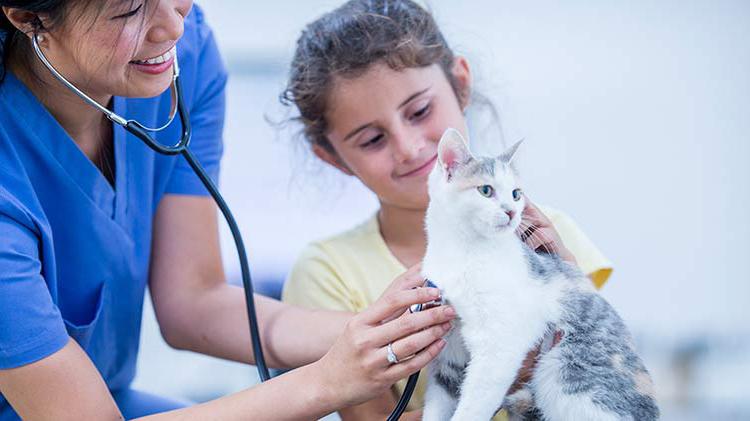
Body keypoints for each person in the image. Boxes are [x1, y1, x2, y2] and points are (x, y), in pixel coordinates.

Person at [0, 1, 457, 419]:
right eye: (130, 12)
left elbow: (192, 303)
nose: (173, 26)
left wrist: (399, 333)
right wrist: (326, 381)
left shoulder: (179, 54)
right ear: (25, 15)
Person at [280, 0, 614, 419]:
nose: (409, 147)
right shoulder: (326, 271)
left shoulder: (550, 234)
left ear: (460, 84)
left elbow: (598, 376)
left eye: (420, 111)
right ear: (332, 157)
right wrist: (495, 377)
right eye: (372, 140)